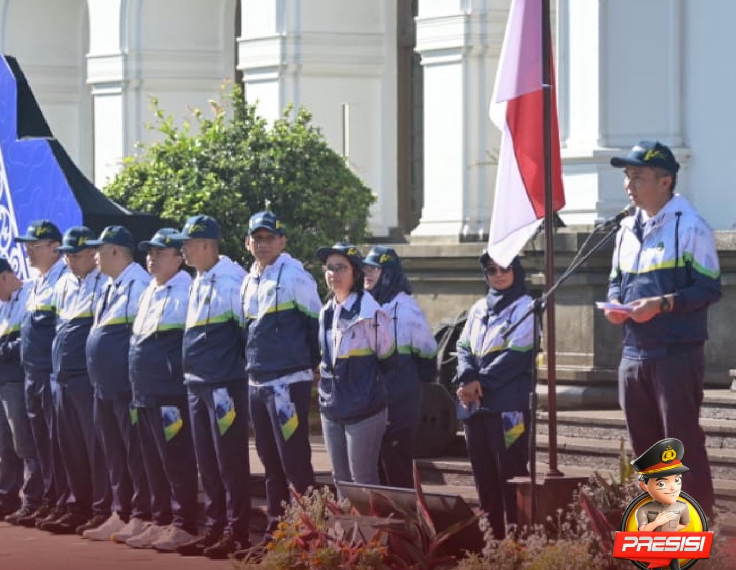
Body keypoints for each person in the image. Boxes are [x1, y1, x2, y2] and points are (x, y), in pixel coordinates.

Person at [606, 140, 721, 518]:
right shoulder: (624, 229)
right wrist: (615, 306)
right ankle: (659, 530)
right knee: (646, 452)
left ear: (665, 181)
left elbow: (708, 288)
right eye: (627, 176)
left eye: (637, 176)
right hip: (633, 354)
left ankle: (698, 533)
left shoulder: (691, 226)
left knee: (680, 445)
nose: (629, 184)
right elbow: (615, 282)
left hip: (675, 354)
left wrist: (662, 304)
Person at [173, 215, 251, 559]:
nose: (184, 250)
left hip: (223, 386)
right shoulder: (197, 279)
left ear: (206, 244)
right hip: (197, 384)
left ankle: (238, 531)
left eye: (188, 244)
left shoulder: (233, 281)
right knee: (207, 460)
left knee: (229, 460)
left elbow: (245, 334)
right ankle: (215, 526)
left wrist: (232, 375)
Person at [241, 211, 320, 543]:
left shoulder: (295, 276)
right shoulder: (249, 279)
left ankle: (310, 533)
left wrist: (313, 365)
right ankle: (277, 532)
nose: (263, 244)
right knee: (269, 463)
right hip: (257, 382)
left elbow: (315, 323)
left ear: (282, 240)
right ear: (248, 243)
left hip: (288, 382)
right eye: (257, 239)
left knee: (295, 462)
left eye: (269, 238)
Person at [127, 228, 199, 551]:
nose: (151, 258)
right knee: (152, 461)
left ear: (178, 257)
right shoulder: (149, 291)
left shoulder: (186, 291)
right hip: (144, 393)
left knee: (176, 460)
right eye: (150, 252)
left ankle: (183, 523)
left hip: (170, 394)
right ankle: (161, 520)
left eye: (160, 252)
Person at [455, 253, 534, 540]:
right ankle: (493, 544)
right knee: (484, 478)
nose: (498, 274)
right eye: (491, 270)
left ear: (516, 270)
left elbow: (518, 356)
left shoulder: (526, 307)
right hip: (476, 408)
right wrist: (467, 378)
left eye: (505, 268)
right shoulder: (478, 308)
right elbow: (463, 347)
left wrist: (479, 383)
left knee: (511, 473)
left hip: (509, 409)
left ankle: (516, 544)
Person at [83, 225, 152, 542]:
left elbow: (140, 337)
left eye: (99, 249)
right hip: (103, 386)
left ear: (115, 251)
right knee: (113, 454)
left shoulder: (138, 283)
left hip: (126, 387)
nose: (94, 255)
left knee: (133, 453)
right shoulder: (109, 285)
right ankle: (120, 511)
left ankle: (141, 514)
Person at [44, 227, 112, 535]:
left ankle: (100, 507)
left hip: (86, 378)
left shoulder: (102, 284)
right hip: (62, 377)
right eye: (66, 255)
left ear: (91, 254)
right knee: (69, 447)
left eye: (75, 255)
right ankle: (76, 506)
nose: (69, 260)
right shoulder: (63, 284)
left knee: (93, 447)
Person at [316, 243, 396, 491]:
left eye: (341, 267)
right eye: (329, 268)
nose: (334, 273)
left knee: (363, 480)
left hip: (365, 410)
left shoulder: (371, 313)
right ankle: (345, 532)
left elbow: (389, 360)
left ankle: (372, 532)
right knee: (340, 481)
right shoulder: (326, 311)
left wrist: (365, 388)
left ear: (356, 273)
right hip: (331, 408)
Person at [362, 246, 437, 488]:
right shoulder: (365, 304)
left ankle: (404, 522)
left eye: (374, 269)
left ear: (389, 273)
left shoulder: (406, 308)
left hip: (400, 396)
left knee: (396, 464)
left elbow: (427, 350)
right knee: (374, 466)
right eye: (365, 268)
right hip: (373, 398)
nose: (367, 274)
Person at [14, 220, 70, 528]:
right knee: (39, 444)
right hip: (31, 374)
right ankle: (48, 500)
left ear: (54, 247)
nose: (28, 251)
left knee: (57, 442)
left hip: (51, 374)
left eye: (34, 246)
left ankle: (62, 501)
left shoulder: (63, 280)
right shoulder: (36, 282)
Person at [0, 258, 43, 524]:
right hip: (4, 381)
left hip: (18, 380)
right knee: (5, 445)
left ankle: (33, 499)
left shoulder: (29, 295)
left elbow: (27, 342)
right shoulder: (4, 305)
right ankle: (6, 497)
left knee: (24, 444)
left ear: (4, 276)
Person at [631, 438, 692, 570]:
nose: (673, 488)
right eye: (662, 483)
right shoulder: (643, 510)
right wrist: (657, 523)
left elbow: (685, 524)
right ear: (644, 486)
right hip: (653, 548)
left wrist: (674, 529)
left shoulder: (682, 506)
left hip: (672, 547)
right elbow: (642, 532)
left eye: (677, 480)